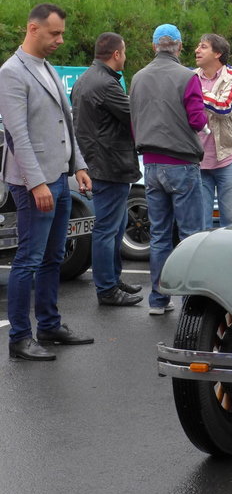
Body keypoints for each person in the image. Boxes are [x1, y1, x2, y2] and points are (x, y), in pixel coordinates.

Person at [0, 3, 94, 360]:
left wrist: (79, 164)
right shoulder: (11, 72)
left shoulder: (48, 68)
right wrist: (36, 183)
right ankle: (20, 338)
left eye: (61, 33)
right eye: (54, 33)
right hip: (33, 183)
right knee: (28, 259)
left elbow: (65, 124)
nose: (60, 39)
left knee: (54, 257)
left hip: (59, 175)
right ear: (33, 29)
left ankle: (50, 325)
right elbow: (17, 135)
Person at [129, 24, 208, 315]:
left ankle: (158, 300)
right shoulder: (187, 77)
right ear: (179, 46)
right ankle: (191, 301)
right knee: (190, 234)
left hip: (150, 163)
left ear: (154, 47)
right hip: (182, 162)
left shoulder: (137, 78)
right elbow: (198, 120)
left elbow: (133, 119)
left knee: (160, 234)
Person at [71, 32, 143, 307]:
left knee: (116, 225)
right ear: (116, 54)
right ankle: (107, 288)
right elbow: (133, 116)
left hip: (100, 162)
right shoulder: (105, 84)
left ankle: (112, 279)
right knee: (107, 229)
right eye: (123, 52)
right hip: (109, 164)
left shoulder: (87, 79)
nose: (124, 57)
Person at [195, 33, 232, 229]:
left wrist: (198, 93)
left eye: (203, 47)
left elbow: (225, 107)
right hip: (198, 161)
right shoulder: (190, 77)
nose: (197, 50)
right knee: (201, 225)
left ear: (217, 53)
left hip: (228, 158)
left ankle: (231, 260)